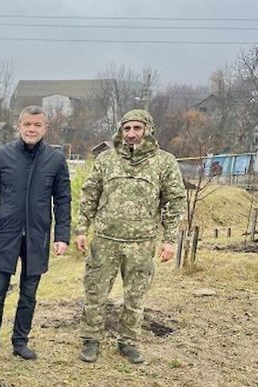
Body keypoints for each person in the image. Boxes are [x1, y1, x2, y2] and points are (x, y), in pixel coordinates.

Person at [74, 109, 187, 364]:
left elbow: (174, 200)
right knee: (95, 292)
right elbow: (89, 194)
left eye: (137, 128)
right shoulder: (106, 159)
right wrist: (82, 229)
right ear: (120, 131)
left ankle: (129, 342)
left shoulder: (164, 161)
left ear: (148, 129)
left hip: (142, 242)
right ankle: (91, 340)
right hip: (105, 239)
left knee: (135, 295)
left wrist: (169, 240)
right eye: (127, 129)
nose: (132, 134)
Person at [0, 105, 71, 363]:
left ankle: (20, 341)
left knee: (28, 293)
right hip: (6, 235)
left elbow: (63, 200)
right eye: (27, 124)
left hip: (37, 237)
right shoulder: (1, 156)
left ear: (45, 128)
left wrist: (61, 236)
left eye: (37, 125)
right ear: (19, 126)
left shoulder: (55, 160)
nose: (31, 129)